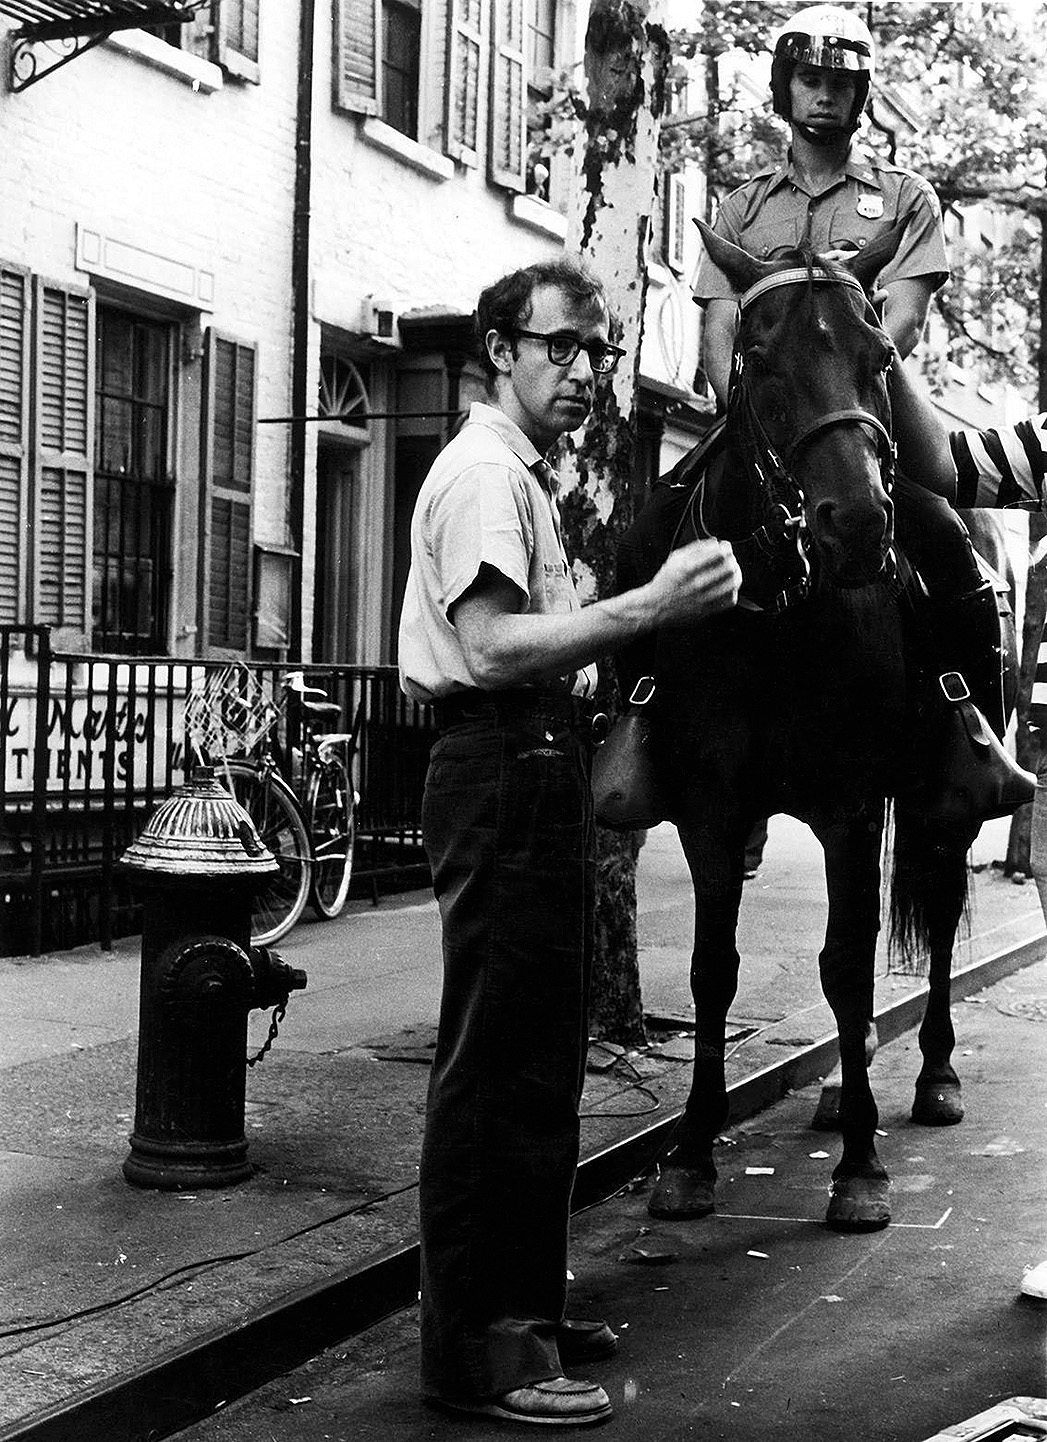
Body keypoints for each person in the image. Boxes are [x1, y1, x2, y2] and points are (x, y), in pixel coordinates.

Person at [397, 258, 740, 1427]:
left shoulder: (521, 477)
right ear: (500, 347)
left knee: (536, 1057)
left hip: (528, 760)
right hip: (499, 756)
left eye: (597, 350)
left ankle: (522, 1308)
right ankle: (482, 1354)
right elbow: (493, 648)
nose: (586, 370)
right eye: (560, 346)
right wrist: (650, 607)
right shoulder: (486, 477)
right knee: (497, 1066)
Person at [693, 3, 1006, 737]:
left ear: (860, 96)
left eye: (841, 81)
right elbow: (716, 333)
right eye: (809, 78)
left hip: (865, 430)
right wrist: (743, 415)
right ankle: (637, 717)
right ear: (785, 87)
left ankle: (975, 735)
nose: (825, 93)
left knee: (945, 539)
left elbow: (905, 317)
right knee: (652, 531)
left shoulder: (904, 199)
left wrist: (851, 382)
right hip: (768, 434)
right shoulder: (737, 210)